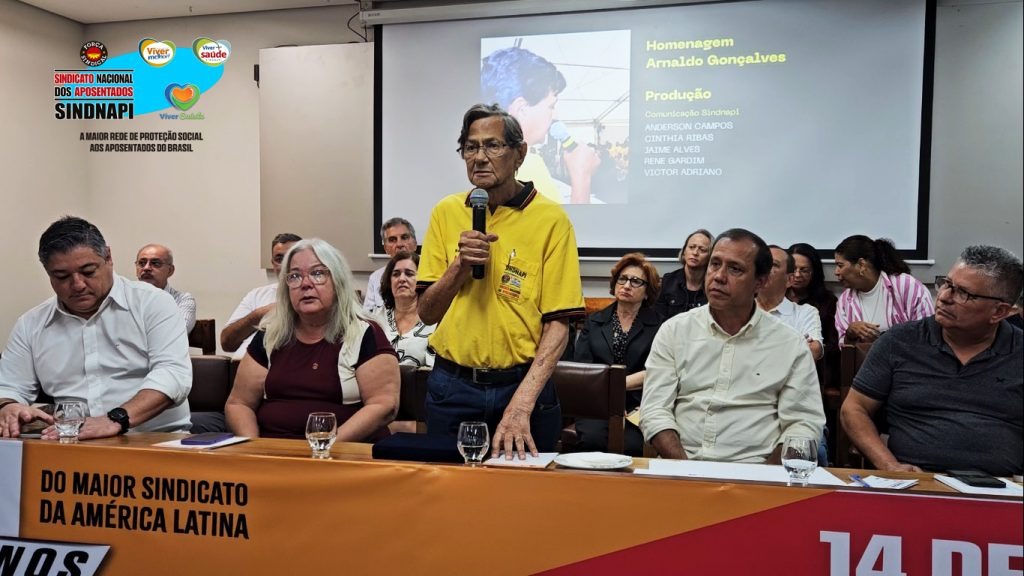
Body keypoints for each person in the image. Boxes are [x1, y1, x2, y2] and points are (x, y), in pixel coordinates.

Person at [417, 103, 585, 459]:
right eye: (470, 147)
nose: (479, 157)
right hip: (452, 386)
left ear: (520, 153)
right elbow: (427, 312)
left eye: (492, 146)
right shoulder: (446, 211)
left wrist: (523, 403)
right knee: (447, 498)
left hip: (521, 385)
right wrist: (458, 267)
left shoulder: (551, 220)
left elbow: (558, 325)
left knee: (522, 504)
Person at [640, 228, 825, 462]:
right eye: (714, 264)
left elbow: (803, 425)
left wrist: (764, 480)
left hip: (758, 474)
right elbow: (655, 411)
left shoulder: (790, 344)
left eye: (734, 269)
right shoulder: (675, 331)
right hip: (682, 468)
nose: (718, 276)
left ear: (760, 281)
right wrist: (686, 471)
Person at [0, 216, 192, 439]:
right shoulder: (31, 324)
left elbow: (173, 374)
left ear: (108, 257)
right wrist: (8, 406)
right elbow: (9, 386)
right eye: (62, 276)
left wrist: (116, 419)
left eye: (88, 271)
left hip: (154, 440)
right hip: (72, 443)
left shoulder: (153, 303)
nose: (78, 285)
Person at [840, 245, 1022, 476]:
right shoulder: (900, 341)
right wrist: (889, 465)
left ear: (999, 312)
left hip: (1002, 486)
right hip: (916, 480)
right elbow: (854, 408)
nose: (944, 297)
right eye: (946, 284)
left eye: (964, 293)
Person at [225, 239, 399, 440]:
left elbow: (383, 405)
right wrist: (254, 449)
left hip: (341, 455)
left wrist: (323, 447)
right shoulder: (270, 335)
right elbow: (239, 404)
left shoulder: (366, 333)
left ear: (338, 281)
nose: (305, 284)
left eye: (317, 274)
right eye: (295, 276)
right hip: (273, 455)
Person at [480, 47, 600, 204]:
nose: (555, 116)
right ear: (521, 109)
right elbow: (567, 228)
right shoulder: (526, 165)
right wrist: (582, 176)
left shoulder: (484, 161)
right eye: (551, 106)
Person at [573, 253, 662, 455]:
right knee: (592, 441)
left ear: (648, 292)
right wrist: (609, 395)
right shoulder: (595, 321)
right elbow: (582, 368)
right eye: (622, 279)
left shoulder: (659, 325)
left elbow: (658, 371)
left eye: (636, 281)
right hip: (596, 403)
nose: (627, 285)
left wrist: (617, 388)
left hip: (638, 406)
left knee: (630, 445)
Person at [834, 235, 933, 344]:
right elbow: (844, 349)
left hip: (907, 359)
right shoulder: (844, 300)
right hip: (864, 360)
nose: (836, 272)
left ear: (861, 265)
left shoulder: (906, 286)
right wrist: (850, 333)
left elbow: (927, 334)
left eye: (840, 265)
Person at [221, 233, 301, 358]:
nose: (286, 264)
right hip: (238, 366)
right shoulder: (257, 295)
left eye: (292, 257)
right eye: (279, 259)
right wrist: (259, 316)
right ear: (273, 263)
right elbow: (226, 343)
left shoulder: (313, 297)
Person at [757, 245, 824, 362]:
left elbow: (813, 351)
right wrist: (792, 345)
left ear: (789, 280)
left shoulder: (805, 312)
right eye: (761, 263)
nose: (764, 269)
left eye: (773, 265)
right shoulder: (738, 309)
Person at [370, 251, 435, 368]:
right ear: (389, 282)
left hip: (419, 384)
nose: (401, 279)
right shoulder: (374, 319)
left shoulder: (434, 320)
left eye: (409, 274)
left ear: (422, 281)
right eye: (396, 274)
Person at [787, 242, 839, 361]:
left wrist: (816, 347)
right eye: (793, 269)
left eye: (804, 270)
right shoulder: (776, 297)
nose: (797, 275)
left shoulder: (827, 301)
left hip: (816, 363)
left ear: (814, 272)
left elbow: (833, 344)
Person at [135, 243, 197, 333]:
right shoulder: (124, 298)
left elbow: (176, 332)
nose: (146, 268)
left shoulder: (182, 300)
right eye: (142, 263)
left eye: (155, 263)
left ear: (170, 271)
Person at [362, 218, 417, 313]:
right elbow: (368, 316)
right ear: (386, 248)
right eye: (392, 240)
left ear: (415, 244)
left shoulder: (429, 273)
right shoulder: (375, 278)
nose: (399, 244)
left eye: (404, 237)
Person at [656, 229, 712, 319]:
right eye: (691, 247)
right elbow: (658, 319)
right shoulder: (668, 281)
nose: (695, 253)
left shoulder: (714, 285)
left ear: (710, 256)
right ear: (684, 251)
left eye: (702, 250)